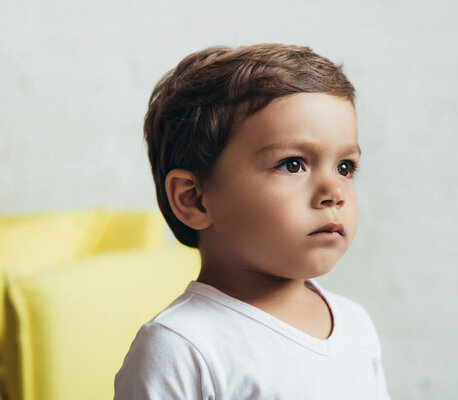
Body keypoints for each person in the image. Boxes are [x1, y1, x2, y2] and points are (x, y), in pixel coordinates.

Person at [114, 43, 391, 399]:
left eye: (345, 167)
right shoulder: (181, 348)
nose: (334, 191)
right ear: (194, 198)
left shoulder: (355, 325)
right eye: (293, 164)